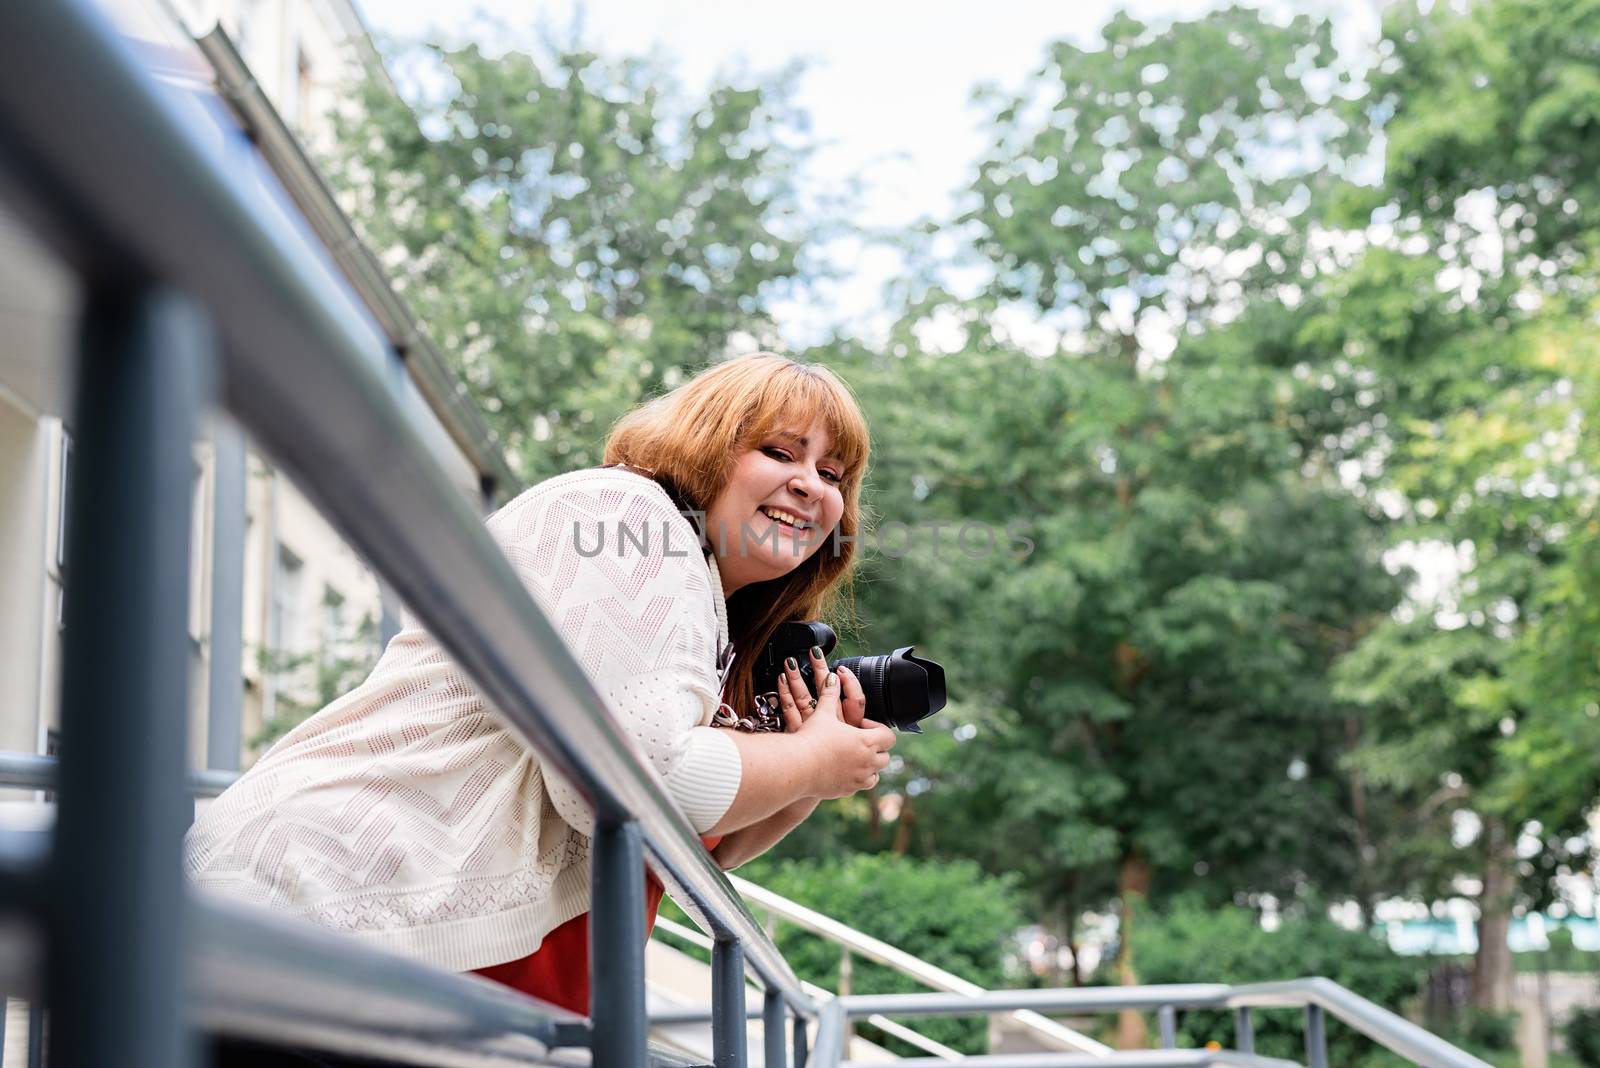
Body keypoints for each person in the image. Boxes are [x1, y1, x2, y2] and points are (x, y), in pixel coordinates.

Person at [185, 352, 896, 1017]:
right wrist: (813, 762)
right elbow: (637, 781)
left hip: (383, 971)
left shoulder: (706, 618)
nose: (811, 485)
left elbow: (688, 846)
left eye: (834, 475)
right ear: (704, 446)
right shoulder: (629, 521)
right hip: (314, 922)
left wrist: (815, 772)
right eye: (779, 452)